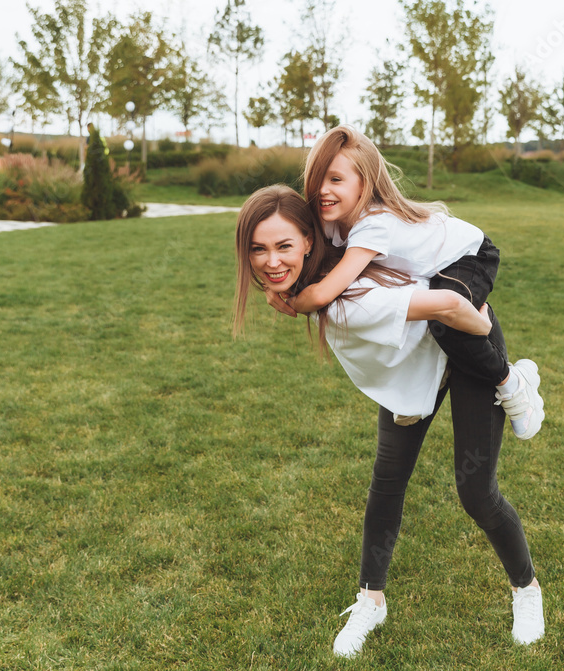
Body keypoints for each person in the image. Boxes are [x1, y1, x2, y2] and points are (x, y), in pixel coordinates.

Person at [233, 185, 546, 658]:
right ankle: (371, 601)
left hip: (462, 345)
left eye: (283, 246)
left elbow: (450, 309)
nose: (271, 260)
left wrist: (484, 328)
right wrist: (297, 299)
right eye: (258, 248)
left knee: (476, 492)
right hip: (409, 372)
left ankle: (527, 590)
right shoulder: (326, 268)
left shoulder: (345, 299)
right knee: (387, 482)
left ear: (310, 243)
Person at [272, 125, 543, 439]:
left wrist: (289, 301)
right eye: (317, 178)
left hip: (468, 256)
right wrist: (274, 286)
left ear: (364, 184)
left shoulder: (372, 226)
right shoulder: (331, 219)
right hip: (429, 269)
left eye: (335, 179)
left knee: (446, 326)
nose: (322, 190)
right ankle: (421, 386)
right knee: (413, 313)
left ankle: (512, 381)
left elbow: (322, 295)